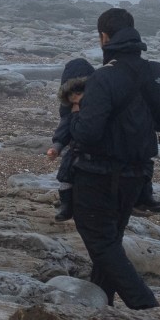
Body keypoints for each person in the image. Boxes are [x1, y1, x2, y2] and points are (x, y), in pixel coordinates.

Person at [65, 8, 160, 309]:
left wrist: (74, 115)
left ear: (103, 37)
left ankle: (145, 307)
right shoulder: (158, 72)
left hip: (96, 174)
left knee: (101, 242)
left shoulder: (103, 78)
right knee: (111, 241)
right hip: (138, 175)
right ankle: (101, 306)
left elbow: (87, 133)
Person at [44, 57, 93, 221]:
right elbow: (64, 128)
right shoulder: (68, 108)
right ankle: (66, 205)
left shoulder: (99, 106)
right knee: (66, 174)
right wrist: (57, 147)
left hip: (96, 149)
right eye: (71, 94)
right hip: (76, 148)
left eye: (79, 93)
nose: (75, 98)